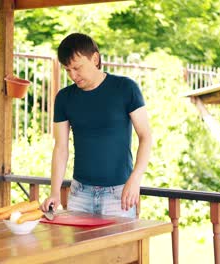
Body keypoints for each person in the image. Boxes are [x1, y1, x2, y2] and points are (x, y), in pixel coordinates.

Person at [41, 33, 152, 218]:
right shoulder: (64, 98)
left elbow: (146, 136)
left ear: (95, 58)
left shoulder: (126, 88)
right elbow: (60, 148)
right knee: (80, 248)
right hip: (79, 195)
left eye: (77, 68)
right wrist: (55, 192)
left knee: (118, 248)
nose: (73, 76)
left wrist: (135, 179)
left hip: (119, 195)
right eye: (67, 70)